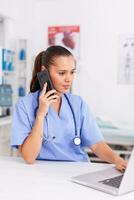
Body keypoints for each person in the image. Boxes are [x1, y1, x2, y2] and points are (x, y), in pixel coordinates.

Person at [11, 45, 127, 171]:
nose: (69, 79)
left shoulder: (78, 104)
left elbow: (97, 144)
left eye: (72, 72)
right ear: (44, 71)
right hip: (41, 174)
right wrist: (40, 115)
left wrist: (117, 160)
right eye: (62, 73)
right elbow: (29, 157)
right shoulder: (24, 105)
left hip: (77, 171)